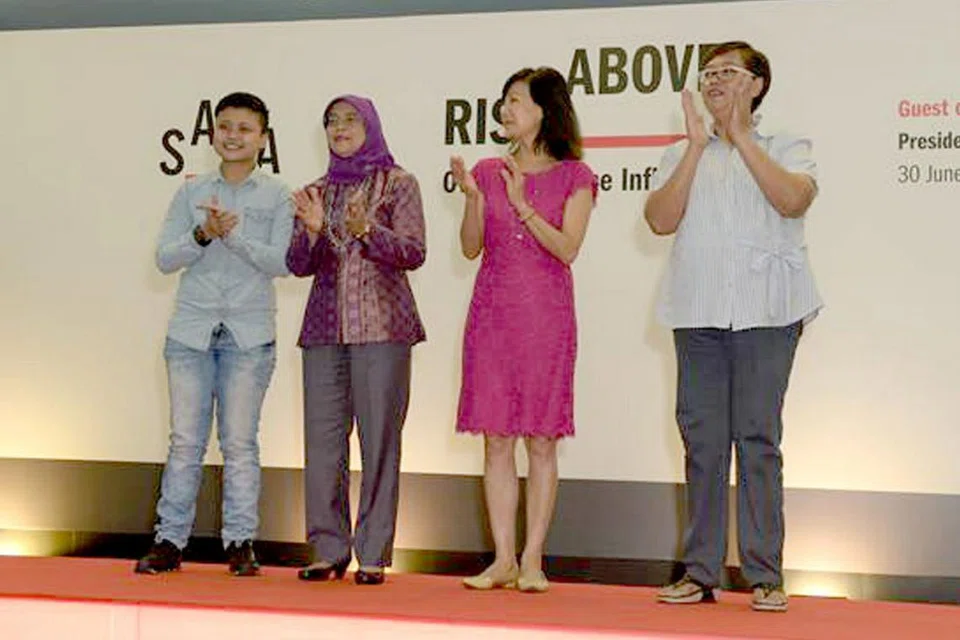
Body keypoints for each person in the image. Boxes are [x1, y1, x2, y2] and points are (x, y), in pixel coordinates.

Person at [644, 41, 822, 612]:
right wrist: (698, 147)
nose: (714, 80)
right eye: (708, 73)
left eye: (728, 72)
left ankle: (765, 573)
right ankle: (700, 571)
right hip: (697, 314)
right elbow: (659, 220)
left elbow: (793, 200)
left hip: (766, 313)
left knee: (758, 439)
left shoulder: (785, 143)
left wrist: (740, 135)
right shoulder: (681, 151)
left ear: (757, 84)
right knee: (702, 443)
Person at [451, 67, 597, 594]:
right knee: (495, 439)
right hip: (492, 316)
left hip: (546, 318)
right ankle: (503, 559)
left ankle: (534, 558)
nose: (505, 110)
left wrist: (522, 206)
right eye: (504, 101)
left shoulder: (576, 175)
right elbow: (471, 248)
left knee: (540, 440)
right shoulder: (490, 169)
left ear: (544, 110)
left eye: (515, 100)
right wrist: (473, 199)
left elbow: (568, 248)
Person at [137, 92, 293, 576]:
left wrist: (234, 235)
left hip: (249, 333)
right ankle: (168, 541)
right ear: (212, 134)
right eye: (225, 126)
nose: (233, 135)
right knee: (185, 441)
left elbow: (282, 262)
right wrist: (202, 235)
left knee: (240, 442)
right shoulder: (190, 193)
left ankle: (240, 541)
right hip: (191, 332)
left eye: (245, 128)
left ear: (263, 138)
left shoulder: (278, 195)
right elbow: (164, 259)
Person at [286, 95, 426, 586]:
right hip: (325, 329)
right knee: (323, 443)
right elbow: (299, 264)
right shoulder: (314, 192)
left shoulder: (399, 183)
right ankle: (328, 548)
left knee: (379, 440)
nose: (339, 127)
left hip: (383, 328)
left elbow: (414, 252)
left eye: (350, 119)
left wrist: (369, 230)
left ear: (371, 126)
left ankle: (372, 553)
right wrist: (311, 232)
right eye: (331, 121)